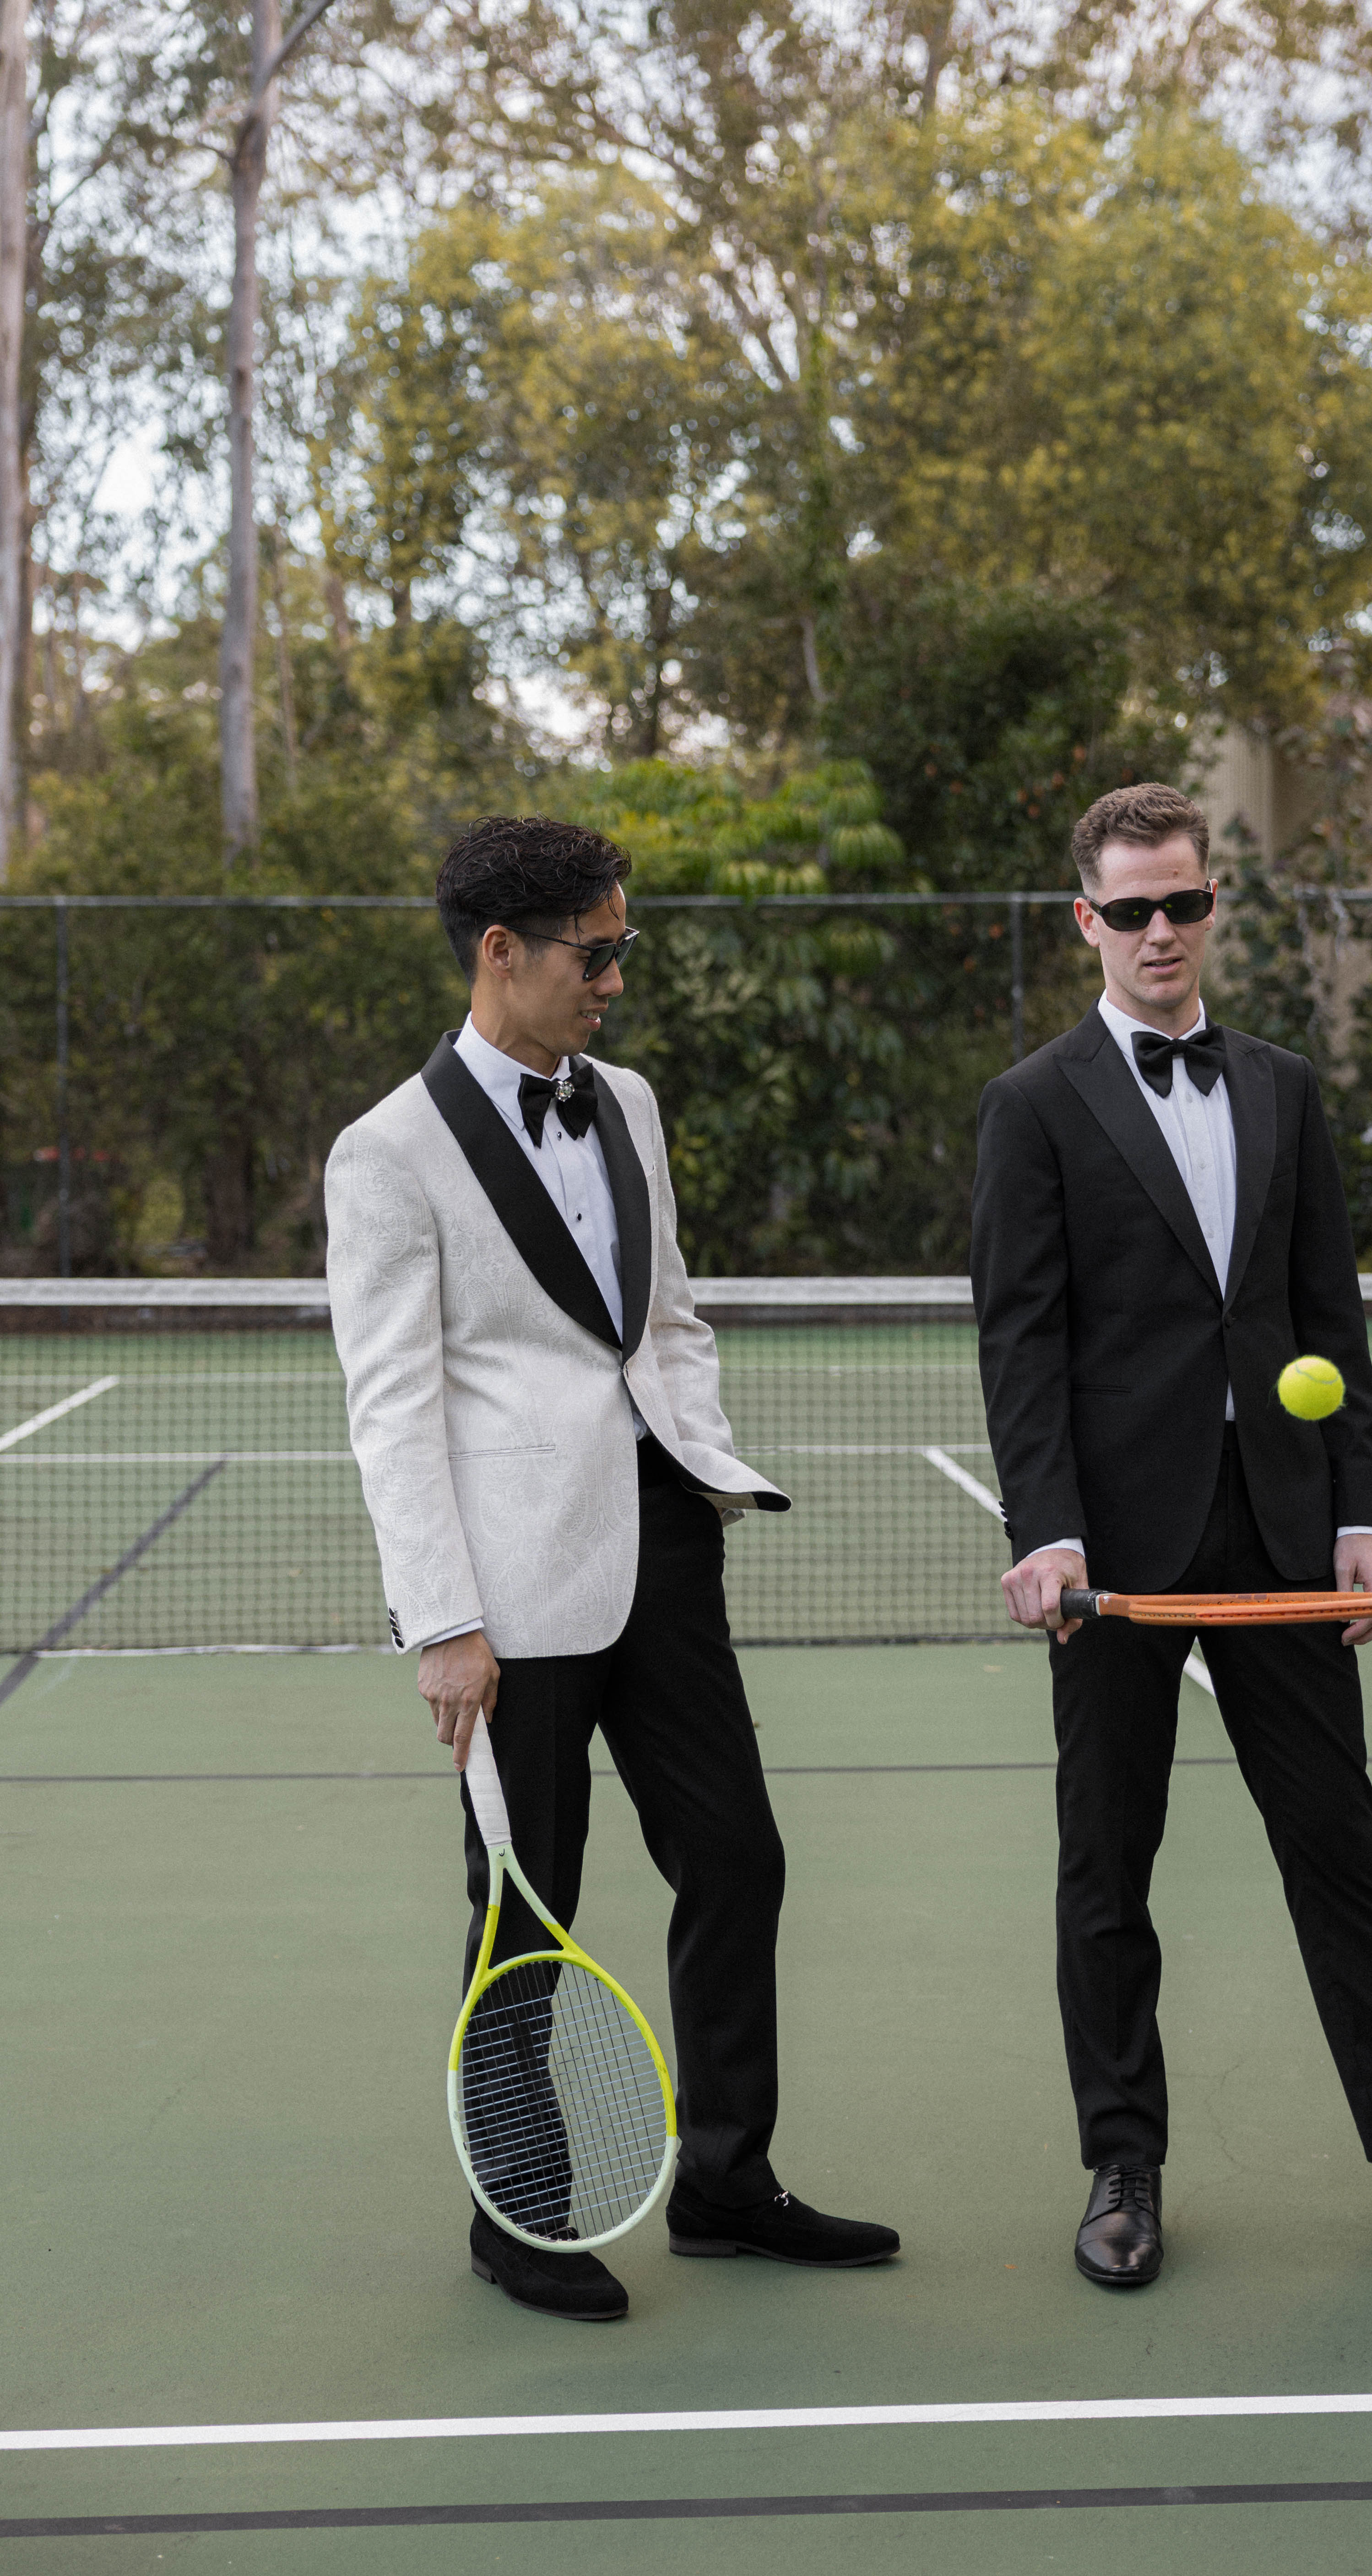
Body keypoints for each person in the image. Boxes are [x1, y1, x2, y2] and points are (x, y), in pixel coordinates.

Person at [969, 781, 1372, 2287]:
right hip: (1115, 1558)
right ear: (1086, 920)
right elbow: (1022, 1342)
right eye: (1133, 909)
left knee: (1337, 1850)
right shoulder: (1033, 1104)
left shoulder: (1284, 1086)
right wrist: (1049, 1531)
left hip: (1281, 1531)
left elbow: (1332, 1316)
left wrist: (1359, 1514)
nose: (1161, 931)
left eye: (1184, 901)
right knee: (1108, 1868)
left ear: (1214, 904)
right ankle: (1124, 2163)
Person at [325, 813, 899, 2322]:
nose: (617, 980)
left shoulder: (628, 1101)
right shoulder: (386, 1153)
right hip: (509, 1604)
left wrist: (698, 1452)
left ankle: (726, 2183)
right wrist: (445, 1622)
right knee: (527, 1912)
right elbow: (392, 1410)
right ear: (499, 952)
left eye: (622, 947)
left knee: (739, 1858)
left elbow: (668, 1313)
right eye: (597, 953)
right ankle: (520, 2217)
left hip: (667, 1553)